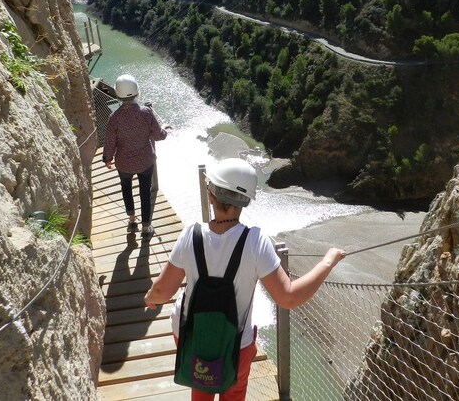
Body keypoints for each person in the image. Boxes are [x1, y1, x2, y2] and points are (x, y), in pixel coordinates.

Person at [144, 158, 345, 401]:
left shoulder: (190, 235)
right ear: (246, 201)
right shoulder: (255, 241)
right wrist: (328, 261)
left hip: (192, 332)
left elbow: (162, 292)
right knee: (233, 393)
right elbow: (288, 297)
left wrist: (151, 297)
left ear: (210, 195)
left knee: (201, 386)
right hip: (236, 342)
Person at [103, 74, 171, 237]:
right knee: (145, 192)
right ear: (136, 93)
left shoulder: (114, 118)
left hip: (124, 163)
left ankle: (132, 221)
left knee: (126, 189)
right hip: (145, 161)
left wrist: (107, 158)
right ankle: (146, 228)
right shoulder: (146, 112)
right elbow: (158, 135)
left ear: (118, 95)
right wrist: (165, 130)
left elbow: (110, 141)